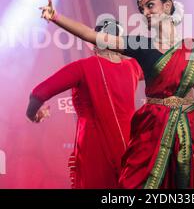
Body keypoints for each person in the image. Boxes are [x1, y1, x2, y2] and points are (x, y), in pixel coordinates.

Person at [39, 0, 194, 189]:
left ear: (167, 7)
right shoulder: (141, 45)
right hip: (153, 128)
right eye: (142, 9)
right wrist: (55, 16)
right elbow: (93, 36)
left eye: (150, 6)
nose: (145, 12)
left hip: (190, 128)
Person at [26, 17, 143, 188]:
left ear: (93, 41)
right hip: (130, 145)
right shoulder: (134, 67)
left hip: (94, 146)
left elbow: (38, 93)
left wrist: (32, 114)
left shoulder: (83, 67)